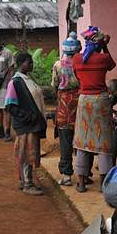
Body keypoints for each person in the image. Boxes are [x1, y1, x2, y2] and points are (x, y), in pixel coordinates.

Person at [72, 26, 116, 193]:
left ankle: (81, 183)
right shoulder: (103, 59)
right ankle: (104, 185)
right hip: (101, 101)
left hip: (84, 101)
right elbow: (112, 65)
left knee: (83, 142)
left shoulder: (76, 59)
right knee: (103, 142)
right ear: (99, 44)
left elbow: (77, 77)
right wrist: (105, 46)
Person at [5, 52, 47, 196]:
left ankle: (25, 181)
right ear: (21, 63)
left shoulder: (27, 79)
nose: (31, 64)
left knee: (29, 153)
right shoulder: (15, 82)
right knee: (26, 153)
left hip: (32, 124)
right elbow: (10, 106)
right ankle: (27, 184)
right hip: (26, 125)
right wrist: (27, 116)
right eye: (29, 62)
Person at [51, 32, 81, 186]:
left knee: (65, 141)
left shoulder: (58, 65)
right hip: (79, 104)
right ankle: (85, 173)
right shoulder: (81, 63)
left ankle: (67, 175)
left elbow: (55, 85)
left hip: (63, 105)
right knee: (82, 140)